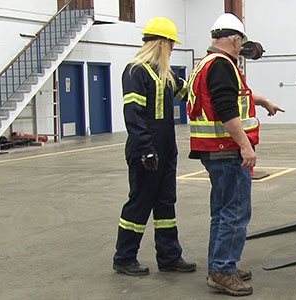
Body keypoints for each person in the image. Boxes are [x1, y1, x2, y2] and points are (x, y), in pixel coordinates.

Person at [187, 13, 284, 296]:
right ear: (233, 38)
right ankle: (223, 271)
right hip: (226, 151)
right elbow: (225, 109)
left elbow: (229, 97)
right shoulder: (221, 65)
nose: (242, 47)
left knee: (222, 211)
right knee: (235, 211)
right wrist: (244, 145)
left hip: (213, 150)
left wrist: (262, 100)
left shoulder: (206, 63)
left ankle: (219, 265)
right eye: (241, 41)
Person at [113, 17, 196, 276]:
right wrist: (145, 149)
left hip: (167, 149)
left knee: (165, 204)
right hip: (145, 151)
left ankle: (169, 256)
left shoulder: (166, 74)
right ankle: (124, 257)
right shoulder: (135, 71)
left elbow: (190, 93)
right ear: (161, 43)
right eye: (171, 44)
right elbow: (133, 115)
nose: (172, 49)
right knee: (139, 203)